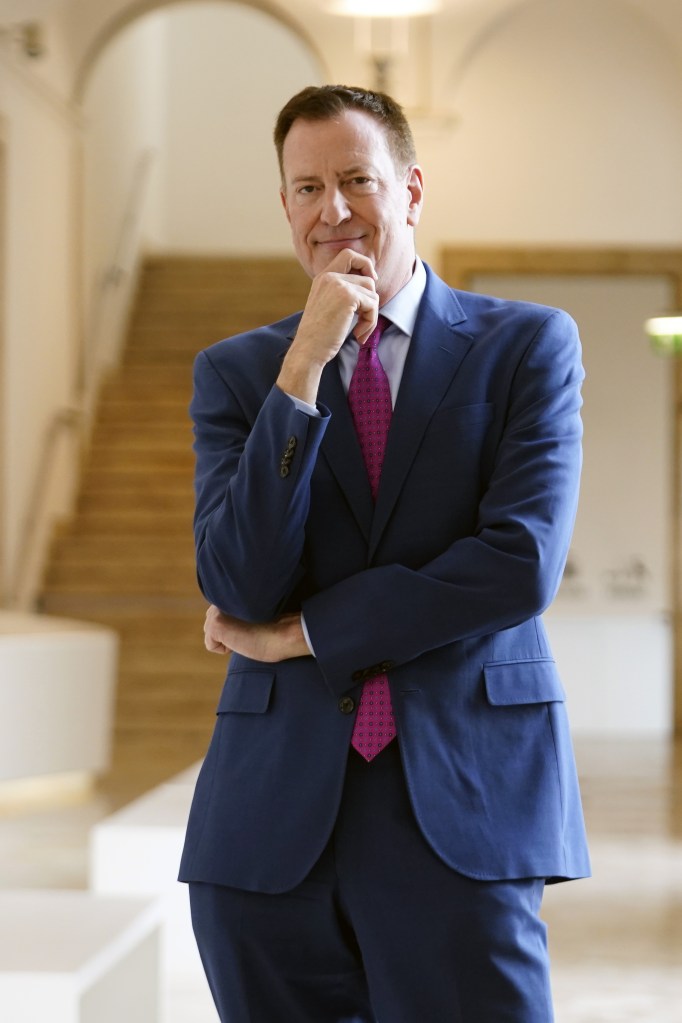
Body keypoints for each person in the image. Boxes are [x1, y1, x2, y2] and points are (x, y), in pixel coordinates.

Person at [179, 84, 590, 1022]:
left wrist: (314, 629)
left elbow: (519, 564)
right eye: (306, 187)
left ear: (409, 188)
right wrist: (302, 372)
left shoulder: (525, 345)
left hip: (463, 801)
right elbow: (238, 580)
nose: (332, 210)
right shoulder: (241, 374)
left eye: (356, 179)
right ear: (284, 205)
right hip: (270, 825)